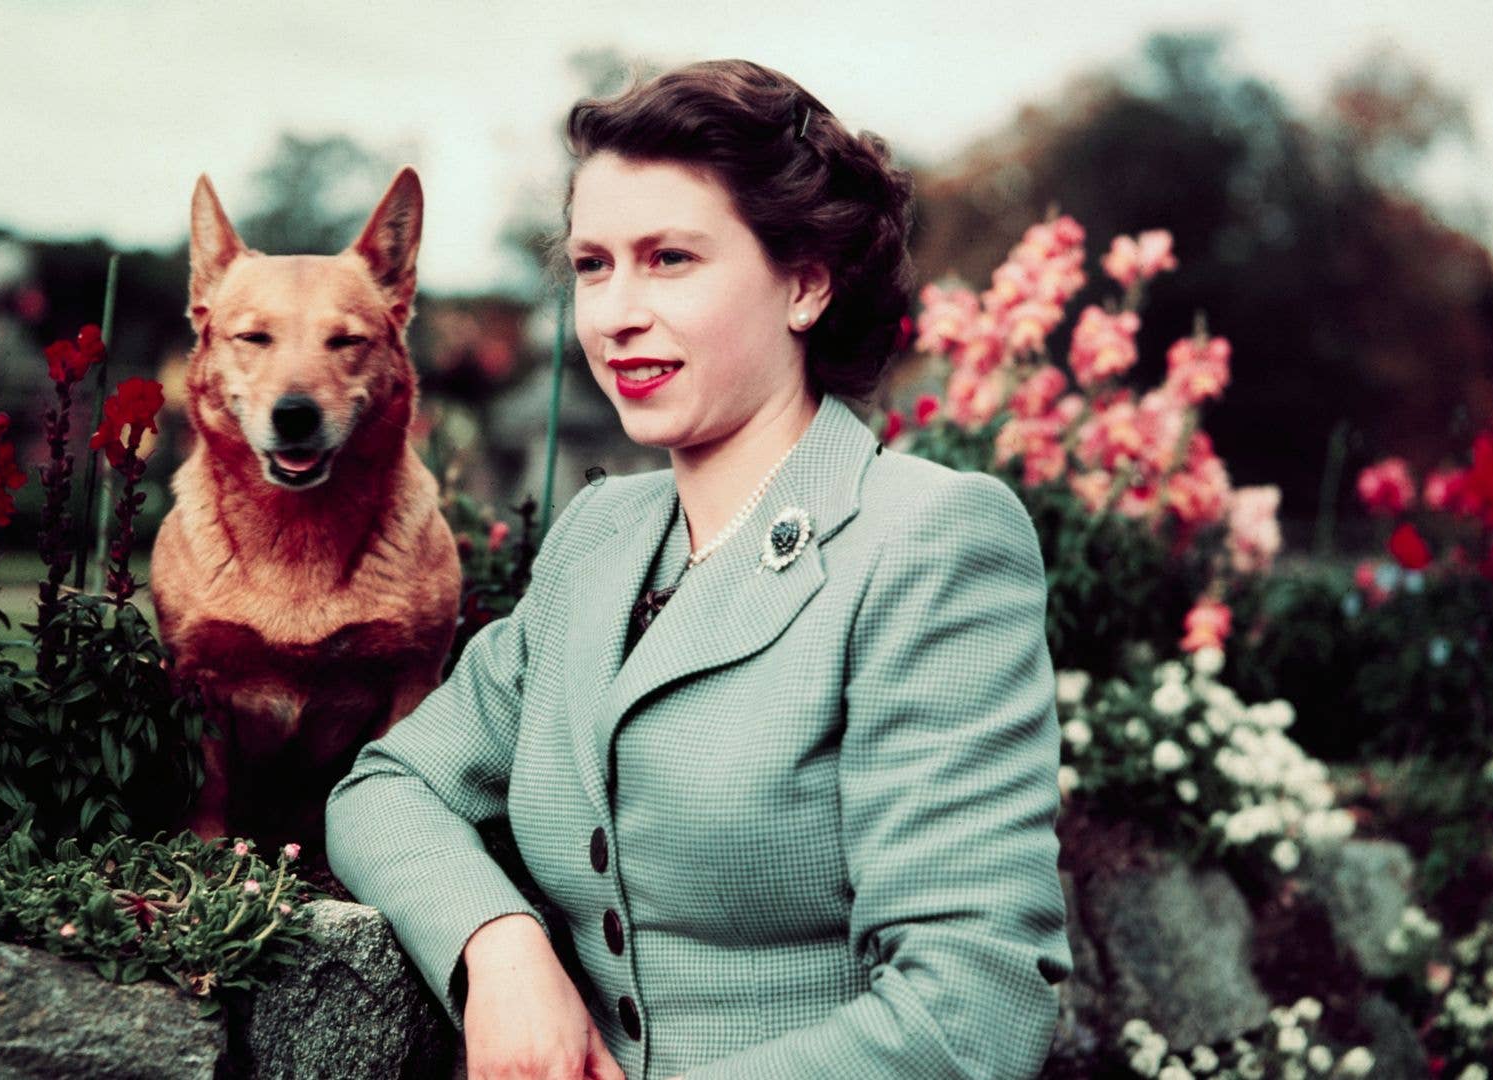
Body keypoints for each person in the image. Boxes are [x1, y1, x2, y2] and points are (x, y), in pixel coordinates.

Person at [326, 58, 1073, 1080]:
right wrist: (498, 949)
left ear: (805, 282)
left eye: (669, 258)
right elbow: (388, 786)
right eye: (593, 265)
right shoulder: (599, 538)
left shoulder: (930, 540)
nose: (615, 313)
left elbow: (974, 1008)